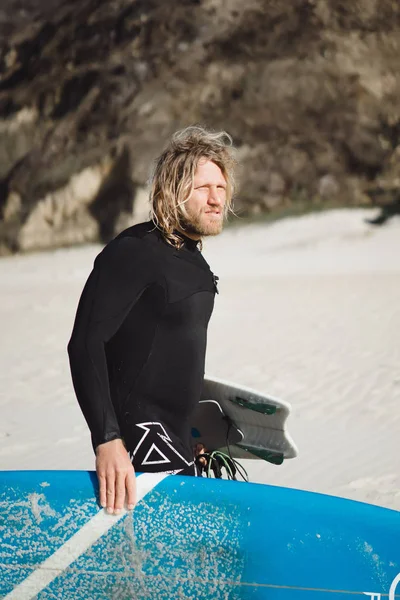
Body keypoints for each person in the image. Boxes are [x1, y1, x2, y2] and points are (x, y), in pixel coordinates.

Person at [67, 126, 236, 515]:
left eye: (221, 188)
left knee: (183, 569)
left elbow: (170, 354)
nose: (215, 200)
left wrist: (191, 430)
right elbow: (85, 343)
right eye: (202, 188)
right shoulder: (134, 252)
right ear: (173, 192)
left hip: (177, 441)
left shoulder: (191, 258)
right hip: (141, 443)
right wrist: (107, 440)